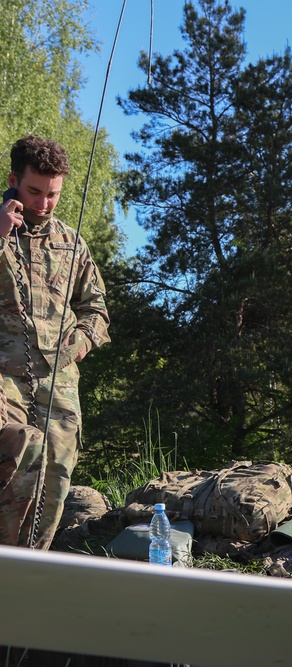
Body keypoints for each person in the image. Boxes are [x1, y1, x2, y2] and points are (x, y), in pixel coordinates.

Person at [0, 135, 110, 548]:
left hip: (57, 381)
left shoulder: (71, 242)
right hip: (3, 374)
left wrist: (78, 344)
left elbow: (96, 309)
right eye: (34, 192)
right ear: (13, 180)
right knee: (16, 447)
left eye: (53, 195)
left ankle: (27, 576)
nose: (44, 204)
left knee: (54, 477)